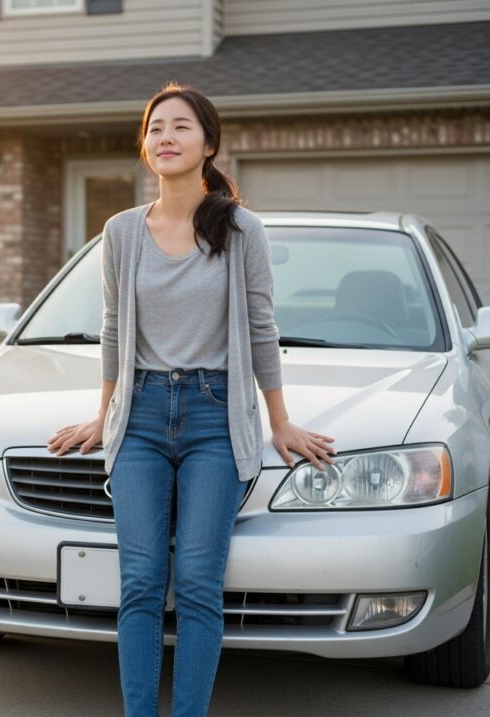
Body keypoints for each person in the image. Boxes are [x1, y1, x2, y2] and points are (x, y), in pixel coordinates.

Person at [45, 83, 338, 716]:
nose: (167, 138)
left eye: (181, 127)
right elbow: (114, 331)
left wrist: (279, 421)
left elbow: (262, 328)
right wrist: (106, 415)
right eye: (155, 129)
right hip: (142, 420)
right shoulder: (121, 232)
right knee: (142, 583)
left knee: (201, 585)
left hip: (214, 419)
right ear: (145, 147)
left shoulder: (239, 228)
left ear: (208, 143)